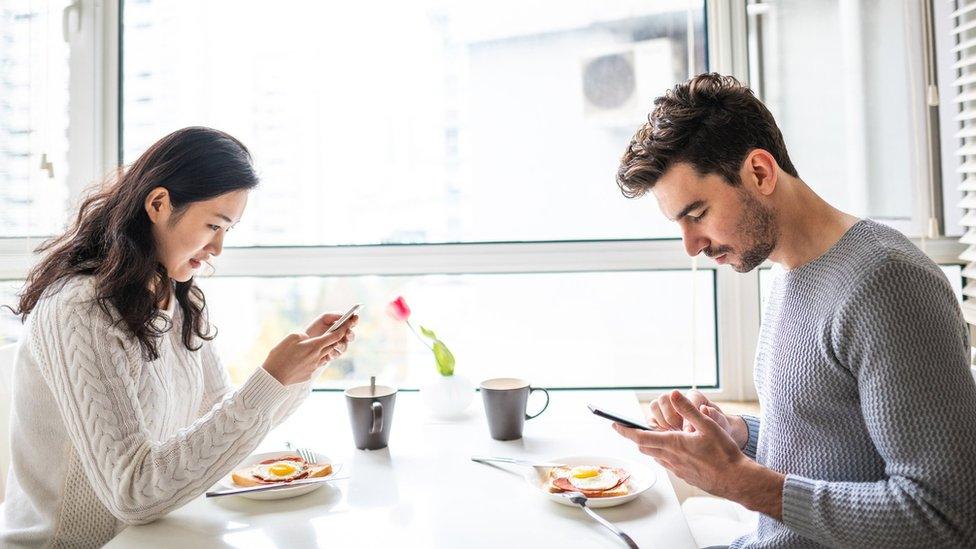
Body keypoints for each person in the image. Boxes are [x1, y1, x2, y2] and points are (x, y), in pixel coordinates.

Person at [611, 73, 976, 548]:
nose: (691, 245)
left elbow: (948, 517)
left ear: (760, 173)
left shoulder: (888, 284)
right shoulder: (790, 275)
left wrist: (743, 483)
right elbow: (838, 447)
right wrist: (737, 436)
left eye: (697, 214)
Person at [0, 127, 357, 547]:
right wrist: (271, 378)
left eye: (229, 230)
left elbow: (218, 431)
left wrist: (295, 374)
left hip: (157, 536)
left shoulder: (179, 296)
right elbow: (132, 493)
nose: (219, 248)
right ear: (158, 203)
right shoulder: (79, 309)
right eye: (213, 225)